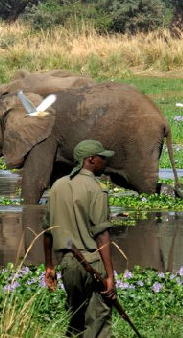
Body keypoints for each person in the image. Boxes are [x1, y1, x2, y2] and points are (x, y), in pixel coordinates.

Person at [43, 140, 117, 338]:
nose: (105, 162)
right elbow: (101, 234)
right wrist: (110, 276)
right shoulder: (96, 189)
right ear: (91, 159)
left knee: (76, 319)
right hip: (92, 261)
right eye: (102, 158)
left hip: (68, 264)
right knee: (99, 320)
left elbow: (47, 230)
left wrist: (49, 266)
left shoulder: (57, 187)